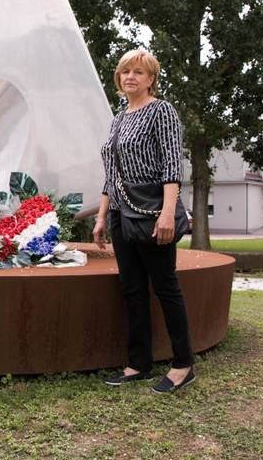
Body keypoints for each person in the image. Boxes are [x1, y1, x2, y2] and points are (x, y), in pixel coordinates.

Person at [93, 48, 195, 394]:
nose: (130, 77)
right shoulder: (119, 117)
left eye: (138, 72)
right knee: (133, 289)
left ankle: (183, 364)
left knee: (166, 287)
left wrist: (168, 212)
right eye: (125, 72)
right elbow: (111, 174)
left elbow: (171, 166)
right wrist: (102, 215)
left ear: (151, 79)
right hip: (122, 216)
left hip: (153, 213)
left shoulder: (161, 111)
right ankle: (139, 364)